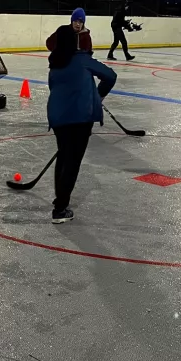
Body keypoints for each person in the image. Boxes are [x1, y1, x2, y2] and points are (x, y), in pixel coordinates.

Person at [46, 24, 117, 224]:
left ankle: (60, 197)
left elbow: (54, 87)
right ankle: (60, 209)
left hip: (58, 117)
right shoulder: (82, 59)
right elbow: (110, 76)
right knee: (72, 162)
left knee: (63, 156)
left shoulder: (54, 62)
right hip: (79, 118)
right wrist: (99, 94)